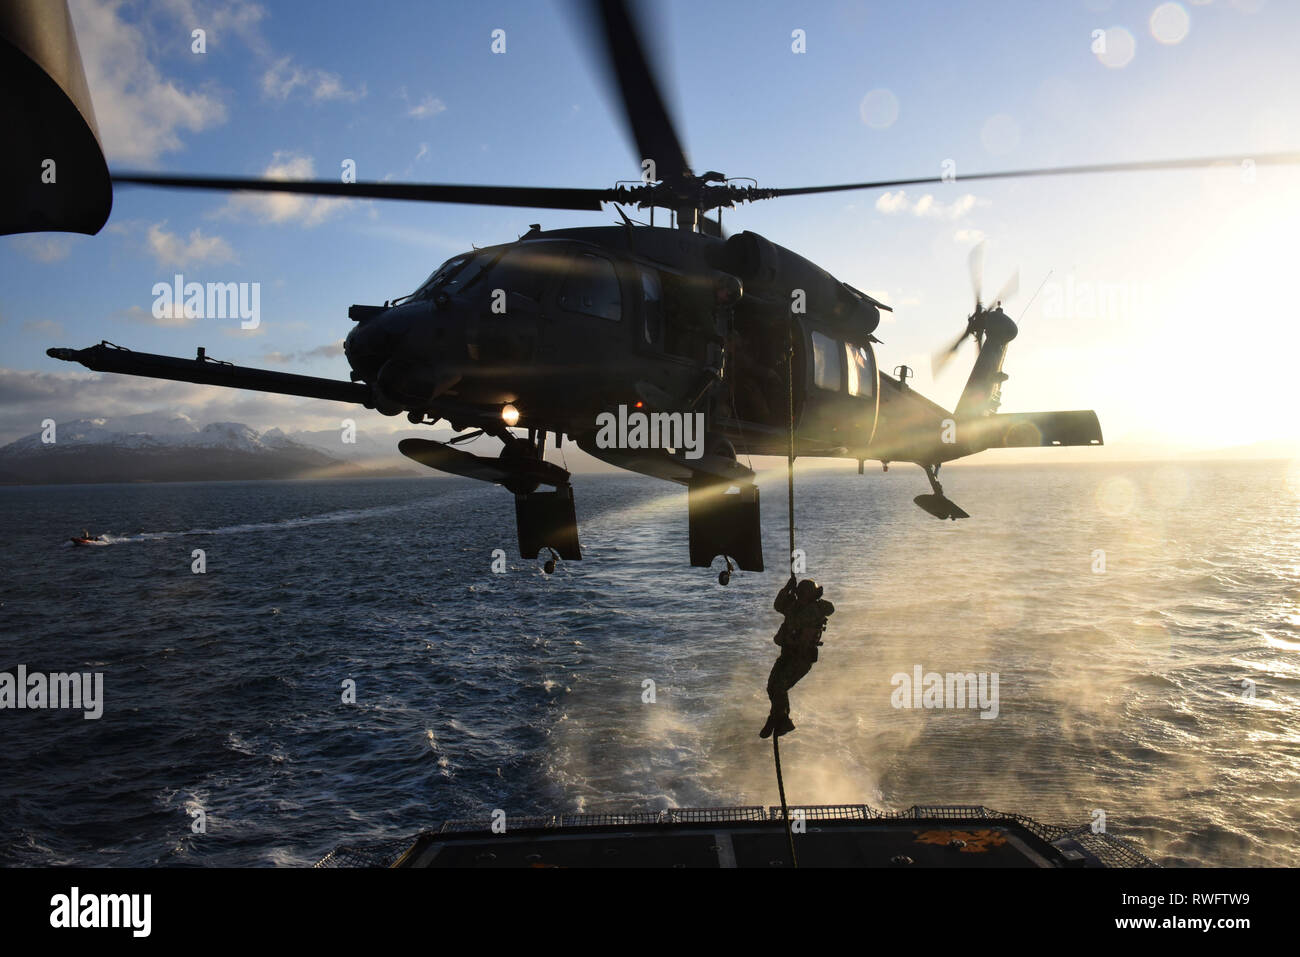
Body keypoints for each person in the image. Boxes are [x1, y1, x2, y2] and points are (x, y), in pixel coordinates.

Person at [760, 576, 835, 738]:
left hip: (802, 658)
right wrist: (787, 589)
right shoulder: (795, 606)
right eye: (799, 593)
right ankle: (780, 718)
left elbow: (828, 608)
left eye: (803, 594)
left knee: (780, 687)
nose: (800, 596)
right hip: (787, 654)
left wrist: (793, 599)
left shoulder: (813, 610)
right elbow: (778, 605)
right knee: (772, 687)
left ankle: (779, 719)